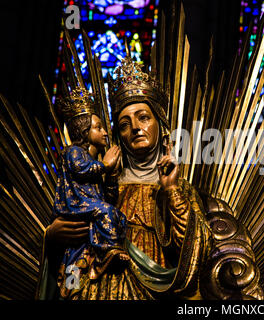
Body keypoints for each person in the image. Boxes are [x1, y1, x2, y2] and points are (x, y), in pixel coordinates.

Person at [41, 54, 212, 300]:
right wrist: (52, 238)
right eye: (124, 124)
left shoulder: (176, 186)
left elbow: (197, 252)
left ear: (160, 125)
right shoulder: (99, 187)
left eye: (143, 117)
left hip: (158, 289)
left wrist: (171, 190)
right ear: (118, 136)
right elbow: (73, 245)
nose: (134, 127)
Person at [52, 87, 129, 298]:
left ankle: (72, 284)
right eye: (98, 127)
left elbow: (108, 198)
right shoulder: (74, 152)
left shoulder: (95, 165)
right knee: (106, 212)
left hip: (89, 221)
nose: (105, 132)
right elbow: (81, 169)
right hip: (75, 206)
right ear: (84, 130)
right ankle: (108, 250)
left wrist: (112, 176)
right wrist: (105, 165)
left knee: (76, 255)